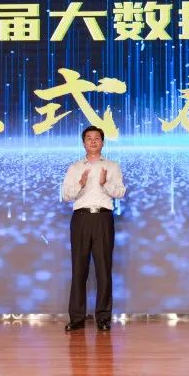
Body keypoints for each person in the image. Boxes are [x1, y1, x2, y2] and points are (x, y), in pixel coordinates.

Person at [60, 126, 126, 332]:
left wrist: (105, 184)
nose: (93, 141)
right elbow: (66, 196)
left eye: (97, 138)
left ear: (102, 142)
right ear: (84, 143)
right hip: (81, 218)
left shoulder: (112, 166)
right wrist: (80, 184)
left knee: (103, 270)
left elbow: (120, 192)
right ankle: (77, 318)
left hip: (103, 218)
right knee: (79, 269)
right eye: (89, 138)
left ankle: (103, 318)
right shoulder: (74, 167)